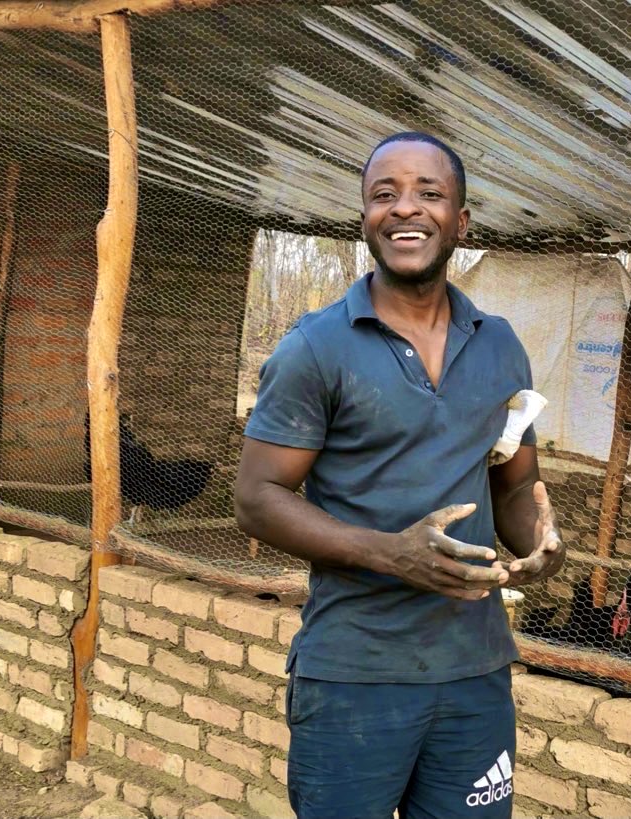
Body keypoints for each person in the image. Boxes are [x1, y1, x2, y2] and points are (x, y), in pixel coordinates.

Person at [234, 132, 566, 819]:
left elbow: (511, 483)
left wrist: (537, 540)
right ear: (365, 218)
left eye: (429, 194)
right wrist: (390, 553)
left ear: (461, 223)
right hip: (355, 674)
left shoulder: (499, 343)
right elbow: (256, 498)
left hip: (474, 674)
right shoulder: (316, 347)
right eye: (384, 195)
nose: (404, 209)